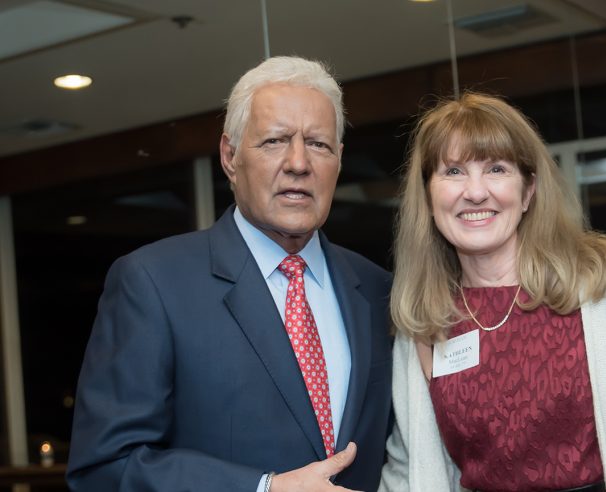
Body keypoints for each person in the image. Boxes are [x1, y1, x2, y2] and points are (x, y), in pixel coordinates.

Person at [66, 56, 393, 492]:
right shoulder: (152, 283)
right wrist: (263, 488)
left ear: (338, 160)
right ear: (230, 156)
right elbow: (104, 469)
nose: (299, 163)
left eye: (318, 144)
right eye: (275, 141)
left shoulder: (378, 289)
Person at [379, 93, 606, 491]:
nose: (476, 192)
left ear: (528, 190)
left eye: (496, 168)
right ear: (429, 196)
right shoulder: (427, 318)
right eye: (453, 172)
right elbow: (409, 464)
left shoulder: (601, 285)